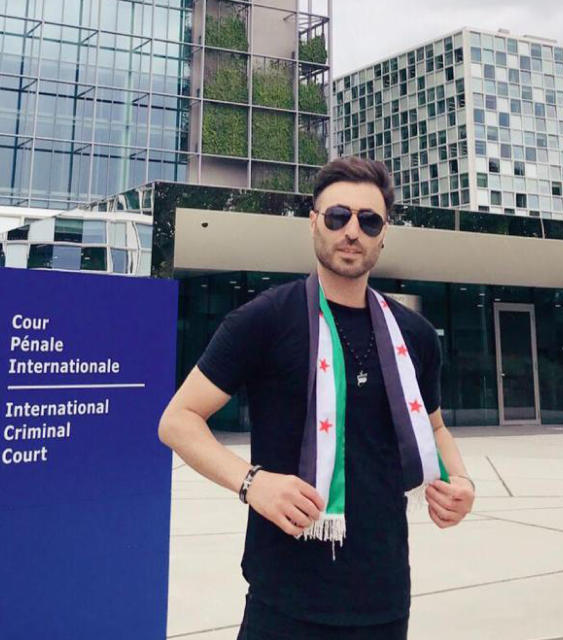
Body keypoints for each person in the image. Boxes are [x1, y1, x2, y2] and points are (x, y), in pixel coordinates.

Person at [158, 157, 475, 639]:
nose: (353, 231)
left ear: (383, 233)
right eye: (338, 216)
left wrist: (463, 483)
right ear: (314, 223)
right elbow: (178, 420)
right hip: (284, 600)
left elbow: (434, 428)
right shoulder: (263, 320)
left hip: (384, 599)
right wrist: (251, 483)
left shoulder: (415, 335)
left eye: (369, 221)